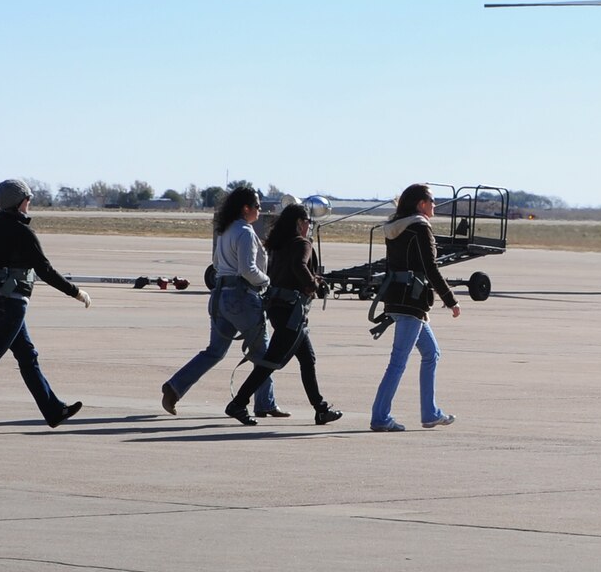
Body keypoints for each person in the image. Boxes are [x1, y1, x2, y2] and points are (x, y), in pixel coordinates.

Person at [0, 180, 91, 434]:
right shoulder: (24, 233)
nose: (30, 203)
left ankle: (53, 410)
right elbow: (44, 270)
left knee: (27, 356)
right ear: (20, 202)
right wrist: (75, 292)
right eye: (28, 199)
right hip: (11, 306)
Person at [159, 185, 280, 418]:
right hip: (242, 297)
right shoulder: (245, 232)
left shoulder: (226, 230)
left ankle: (175, 387)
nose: (259, 209)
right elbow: (248, 269)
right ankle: (265, 403)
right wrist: (267, 282)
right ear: (246, 208)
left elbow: (216, 264)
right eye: (257, 205)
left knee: (214, 351)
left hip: (220, 296)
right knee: (263, 354)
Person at [226, 201, 344, 426]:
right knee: (271, 361)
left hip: (279, 308)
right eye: (308, 222)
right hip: (292, 312)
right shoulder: (302, 243)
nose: (309, 226)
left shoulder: (278, 245)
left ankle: (320, 409)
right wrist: (314, 285)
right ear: (300, 223)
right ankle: (238, 403)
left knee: (307, 359)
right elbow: (299, 266)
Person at [369, 182, 460, 432]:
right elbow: (430, 267)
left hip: (397, 298)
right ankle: (380, 416)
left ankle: (430, 413)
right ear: (421, 204)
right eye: (431, 201)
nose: (434, 205)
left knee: (432, 353)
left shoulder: (396, 228)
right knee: (398, 362)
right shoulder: (419, 228)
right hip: (412, 302)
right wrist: (450, 299)